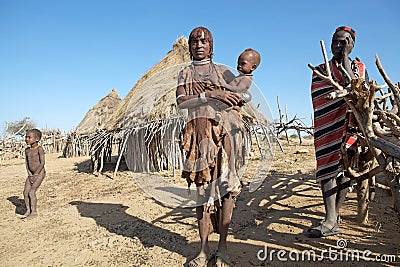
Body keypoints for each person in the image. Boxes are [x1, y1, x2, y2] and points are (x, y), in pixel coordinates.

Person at [176, 26, 245, 267]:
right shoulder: (185, 73)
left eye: (204, 41)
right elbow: (182, 102)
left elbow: (242, 94)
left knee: (226, 189)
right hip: (199, 136)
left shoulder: (223, 71)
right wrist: (209, 96)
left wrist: (234, 97)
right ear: (190, 46)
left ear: (212, 45)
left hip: (226, 134)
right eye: (195, 41)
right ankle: (203, 249)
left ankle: (223, 249)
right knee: (202, 192)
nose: (199, 44)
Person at [307, 26, 367, 237]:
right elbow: (319, 98)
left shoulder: (359, 67)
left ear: (352, 44)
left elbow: (360, 91)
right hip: (327, 126)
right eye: (336, 42)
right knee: (327, 170)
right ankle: (330, 218)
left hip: (352, 126)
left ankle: (334, 217)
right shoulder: (321, 70)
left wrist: (346, 62)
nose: (339, 46)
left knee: (347, 171)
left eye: (344, 42)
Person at [23, 129, 46, 220]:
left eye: (29, 137)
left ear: (37, 139)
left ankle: (34, 212)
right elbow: (27, 163)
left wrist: (36, 174)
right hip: (31, 174)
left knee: (32, 192)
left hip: (40, 173)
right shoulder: (27, 150)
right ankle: (28, 210)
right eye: (26, 137)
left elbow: (42, 163)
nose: (27, 139)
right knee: (25, 192)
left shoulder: (39, 149)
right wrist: (29, 174)